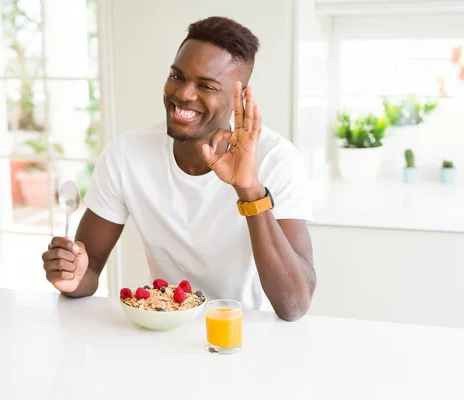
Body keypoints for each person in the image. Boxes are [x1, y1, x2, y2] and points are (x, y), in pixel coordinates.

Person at [42, 16, 315, 321]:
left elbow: (294, 305)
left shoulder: (276, 160)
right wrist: (70, 275)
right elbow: (88, 269)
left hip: (247, 335)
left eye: (207, 86)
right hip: (165, 330)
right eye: (177, 75)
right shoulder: (125, 155)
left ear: (238, 99)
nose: (184, 93)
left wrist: (250, 190)